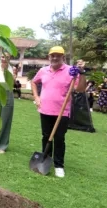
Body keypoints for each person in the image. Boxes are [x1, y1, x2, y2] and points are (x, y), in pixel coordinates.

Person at [31, 46, 86, 178]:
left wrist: (82, 72)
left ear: (63, 57)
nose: (55, 57)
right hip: (45, 110)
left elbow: (81, 89)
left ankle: (59, 165)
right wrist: (37, 97)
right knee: (46, 136)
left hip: (62, 112)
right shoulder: (43, 70)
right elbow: (33, 82)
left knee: (59, 138)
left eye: (58, 55)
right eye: (52, 55)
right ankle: (45, 160)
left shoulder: (71, 71)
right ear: (49, 57)